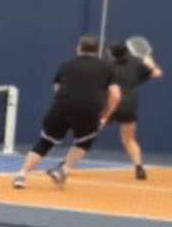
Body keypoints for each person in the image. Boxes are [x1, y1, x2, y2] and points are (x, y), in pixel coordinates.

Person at [13, 33, 121, 190]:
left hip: (61, 108)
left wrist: (65, 105)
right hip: (88, 111)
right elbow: (116, 96)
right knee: (83, 142)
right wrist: (104, 116)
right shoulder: (106, 68)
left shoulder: (66, 65)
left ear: (78, 48)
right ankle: (63, 170)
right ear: (97, 50)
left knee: (45, 142)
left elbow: (57, 89)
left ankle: (21, 175)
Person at [71, 37, 164, 180]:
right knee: (129, 140)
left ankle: (67, 165)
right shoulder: (138, 65)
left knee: (87, 135)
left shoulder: (107, 68)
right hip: (129, 107)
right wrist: (151, 64)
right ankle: (139, 168)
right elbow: (158, 73)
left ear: (112, 54)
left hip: (109, 106)